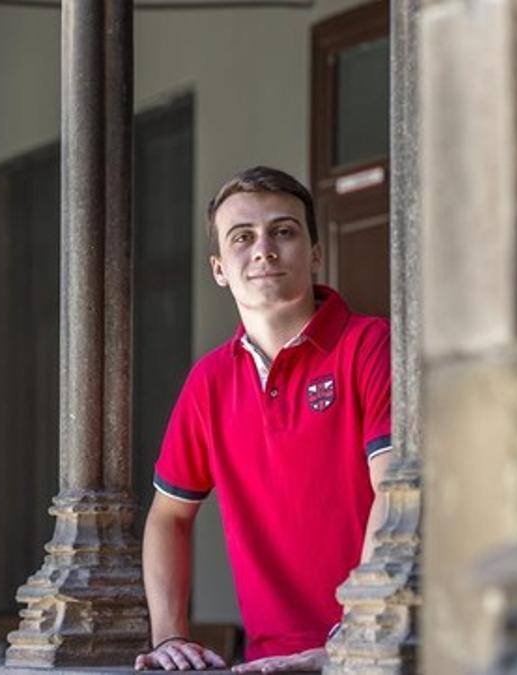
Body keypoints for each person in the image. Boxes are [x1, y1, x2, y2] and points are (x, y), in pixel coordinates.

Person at [133, 167, 392, 672]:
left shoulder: (370, 345)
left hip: (374, 655)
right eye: (242, 237)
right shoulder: (209, 382)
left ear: (316, 254)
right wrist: (168, 636)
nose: (264, 249)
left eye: (284, 231)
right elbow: (169, 516)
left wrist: (359, 637)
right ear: (219, 268)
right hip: (267, 664)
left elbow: (397, 492)